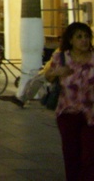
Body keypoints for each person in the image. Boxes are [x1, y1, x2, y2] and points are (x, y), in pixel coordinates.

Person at [45, 22, 94, 181]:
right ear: (71, 40)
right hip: (67, 113)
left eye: (86, 36)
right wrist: (57, 72)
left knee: (89, 154)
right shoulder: (60, 58)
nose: (84, 40)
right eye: (79, 37)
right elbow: (48, 76)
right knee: (71, 153)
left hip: (91, 114)